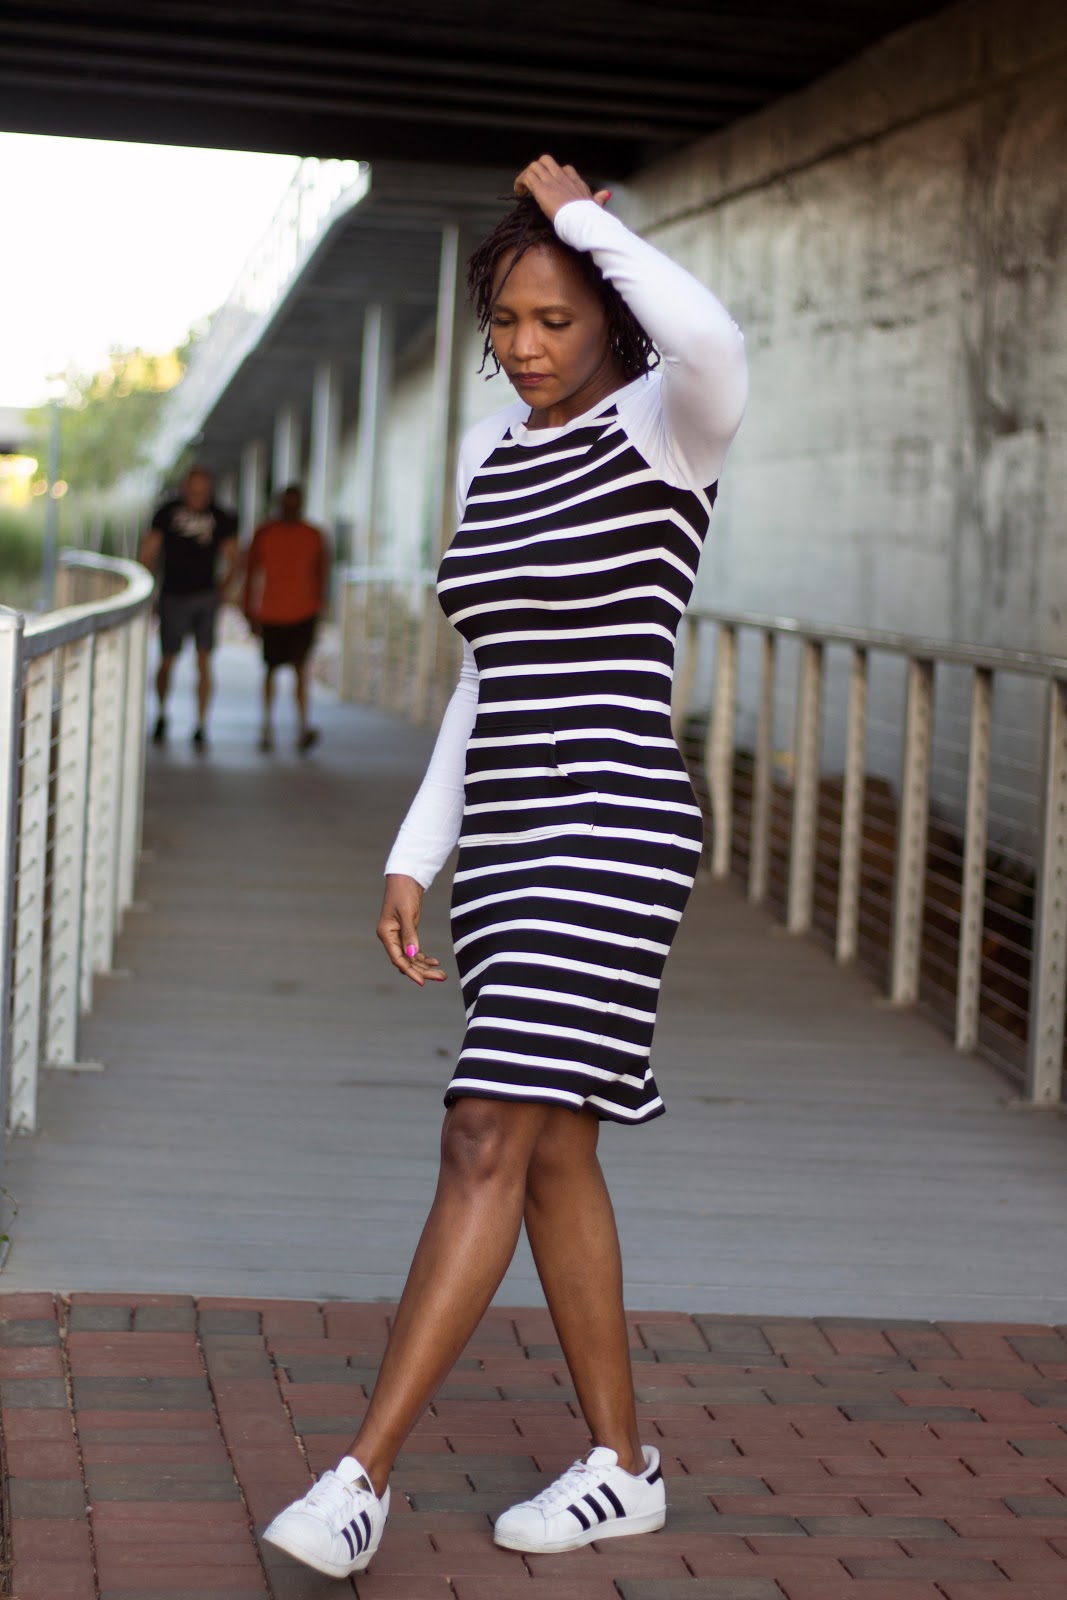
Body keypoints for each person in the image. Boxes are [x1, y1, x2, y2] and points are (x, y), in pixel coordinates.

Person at [264, 154, 748, 1580]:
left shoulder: (670, 426)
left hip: (612, 820)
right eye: (505, 322)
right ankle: (622, 1465)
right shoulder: (489, 454)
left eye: (554, 318)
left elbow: (713, 334)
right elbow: (488, 676)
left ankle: (360, 1476)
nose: (525, 347)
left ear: (609, 314)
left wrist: (580, 217)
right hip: (511, 833)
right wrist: (417, 853)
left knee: (483, 1125)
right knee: (550, 1150)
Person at [139, 466, 238, 750]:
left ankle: (202, 724)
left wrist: (223, 589)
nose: (198, 496)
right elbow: (148, 552)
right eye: (194, 490)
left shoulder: (221, 516)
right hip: (173, 595)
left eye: (203, 491)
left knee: (204, 660)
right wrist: (151, 590)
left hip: (206, 596)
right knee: (167, 659)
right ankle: (161, 714)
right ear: (184, 488)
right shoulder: (167, 512)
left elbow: (233, 557)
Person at [242, 483, 329, 752]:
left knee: (301, 670)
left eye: (295, 503)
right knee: (270, 670)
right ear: (279, 504)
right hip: (271, 612)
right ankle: (266, 726)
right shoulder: (265, 532)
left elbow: (322, 575)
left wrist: (320, 609)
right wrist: (248, 609)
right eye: (287, 502)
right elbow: (250, 572)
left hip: (304, 612)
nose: (291, 508)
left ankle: (303, 726)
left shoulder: (313, 535)